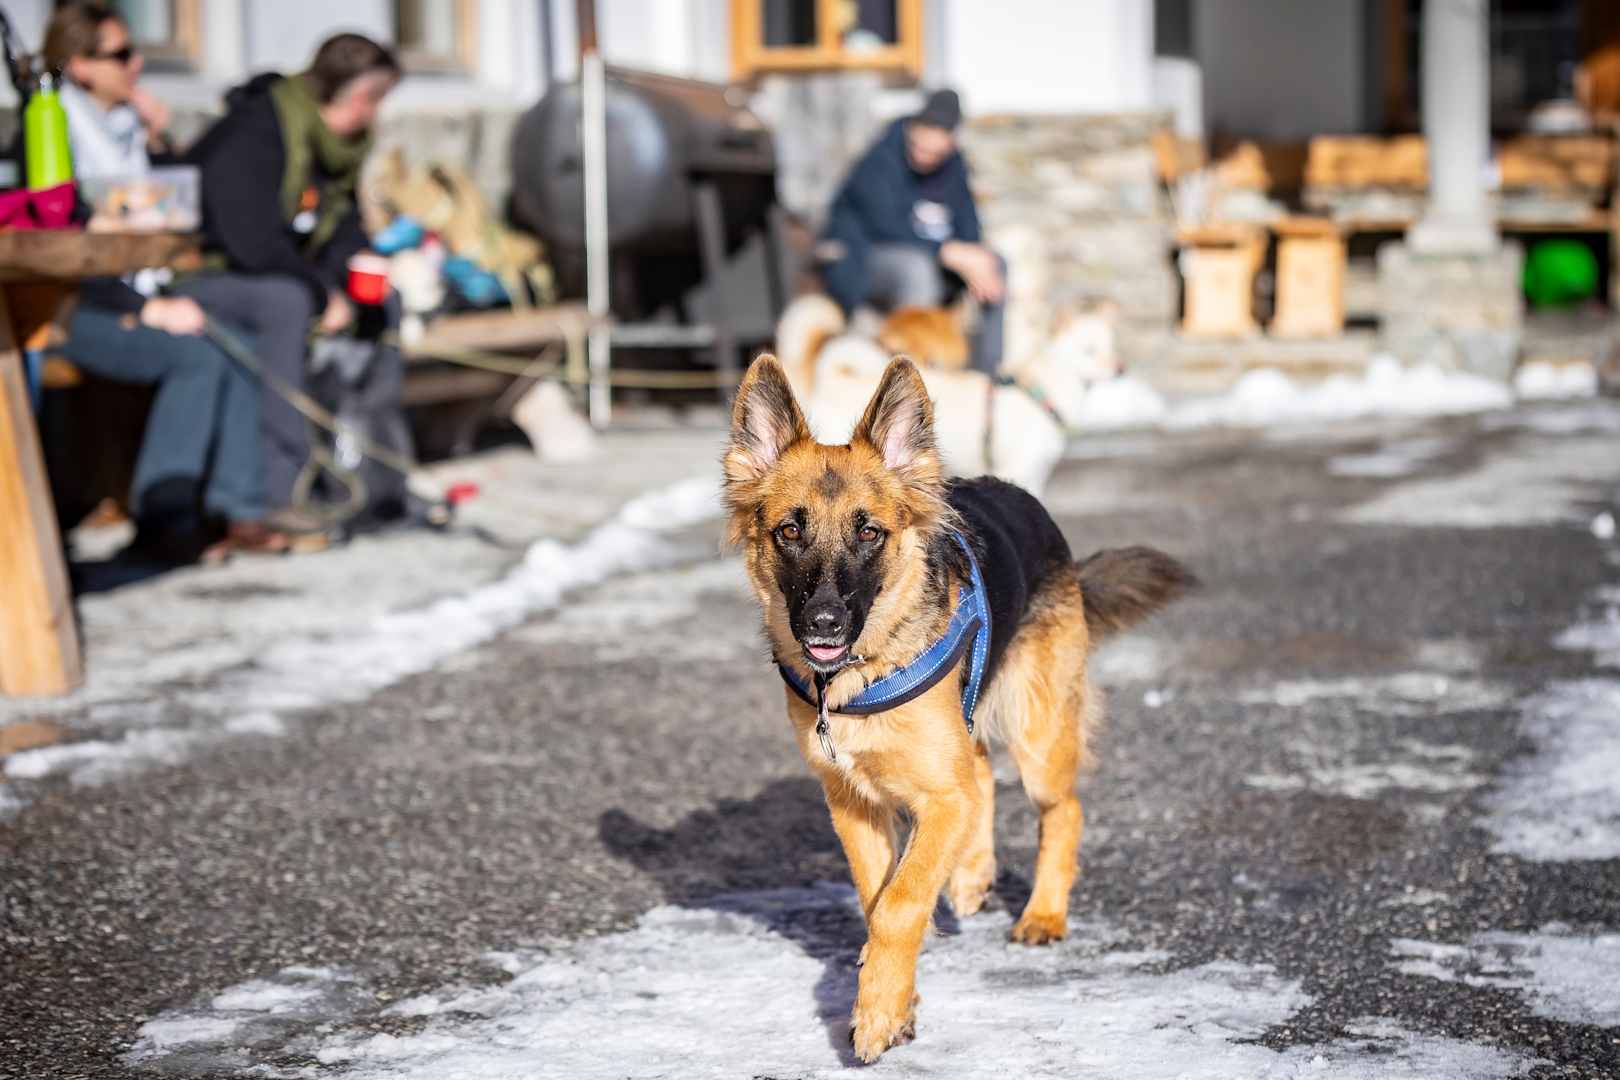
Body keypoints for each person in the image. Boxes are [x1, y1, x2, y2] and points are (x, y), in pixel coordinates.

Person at [43, 1, 289, 562]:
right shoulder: (53, 133)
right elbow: (55, 250)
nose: (137, 65)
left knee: (236, 342)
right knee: (195, 357)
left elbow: (177, 211)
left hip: (140, 288)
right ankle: (164, 516)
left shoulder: (126, 130)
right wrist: (139, 307)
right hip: (73, 307)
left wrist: (158, 140)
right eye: (121, 54)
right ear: (80, 65)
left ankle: (238, 509)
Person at [182, 33, 410, 527]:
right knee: (287, 303)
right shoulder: (257, 130)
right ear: (351, 95)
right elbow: (250, 242)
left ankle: (375, 475)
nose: (375, 113)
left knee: (384, 301)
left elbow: (340, 226)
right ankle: (282, 490)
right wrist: (321, 292)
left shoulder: (340, 149)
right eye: (373, 99)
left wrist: (360, 260)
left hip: (282, 271)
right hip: (202, 272)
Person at [819, 88, 1007, 375]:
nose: (925, 156)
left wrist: (975, 259)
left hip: (931, 256)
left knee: (993, 263)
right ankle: (910, 376)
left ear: (950, 144)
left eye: (935, 153)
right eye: (920, 147)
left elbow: (968, 225)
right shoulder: (880, 160)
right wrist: (946, 251)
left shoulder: (954, 167)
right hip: (864, 260)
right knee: (917, 269)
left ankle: (986, 373)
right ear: (913, 129)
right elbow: (885, 226)